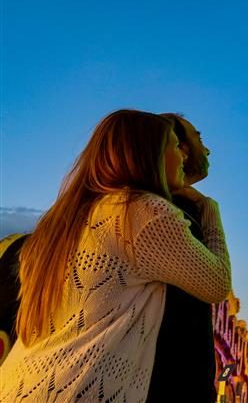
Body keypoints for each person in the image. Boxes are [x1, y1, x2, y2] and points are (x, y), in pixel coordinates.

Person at [0, 109, 231, 401]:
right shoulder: (142, 212)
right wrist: (209, 209)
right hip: (83, 388)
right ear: (150, 152)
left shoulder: (64, 222)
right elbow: (216, 284)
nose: (183, 156)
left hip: (23, 384)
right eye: (175, 145)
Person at [147, 112, 216, 402]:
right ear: (181, 150)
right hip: (174, 383)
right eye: (196, 138)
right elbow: (214, 285)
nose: (206, 148)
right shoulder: (171, 213)